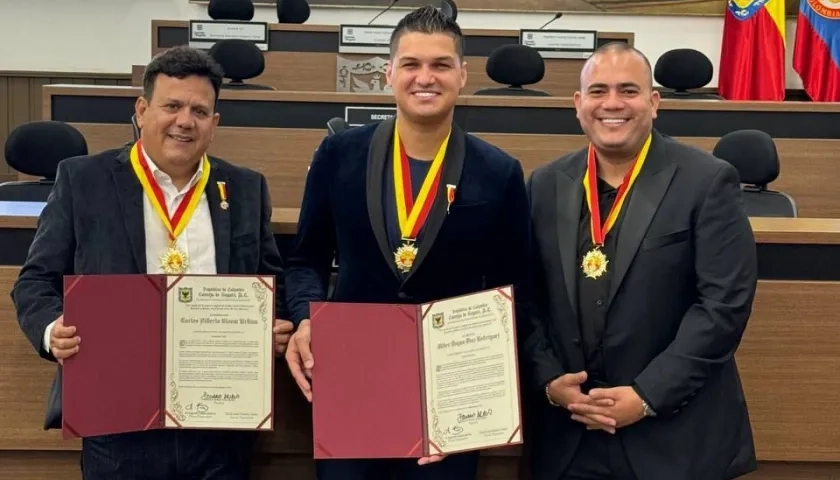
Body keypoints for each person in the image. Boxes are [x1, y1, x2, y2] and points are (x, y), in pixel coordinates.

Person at [11, 46, 293, 480]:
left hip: (218, 421)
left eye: (200, 110)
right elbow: (34, 282)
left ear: (214, 123)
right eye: (172, 106)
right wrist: (52, 330)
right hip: (117, 419)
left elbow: (271, 280)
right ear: (142, 110)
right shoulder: (83, 180)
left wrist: (273, 323)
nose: (185, 121)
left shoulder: (244, 188)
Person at [284, 6, 530, 480]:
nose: (426, 77)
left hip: (450, 394)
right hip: (353, 381)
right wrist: (305, 316)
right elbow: (305, 259)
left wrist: (478, 392)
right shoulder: (339, 154)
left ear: (462, 74)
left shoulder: (498, 171)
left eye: (440, 65)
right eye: (412, 64)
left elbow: (512, 290)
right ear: (388, 73)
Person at [522, 42, 758, 480]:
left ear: (653, 102)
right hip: (569, 440)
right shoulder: (544, 185)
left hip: (672, 438)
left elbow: (722, 308)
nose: (612, 104)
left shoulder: (707, 182)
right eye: (598, 91)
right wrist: (550, 381)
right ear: (578, 104)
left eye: (628, 91)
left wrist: (647, 395)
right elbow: (526, 299)